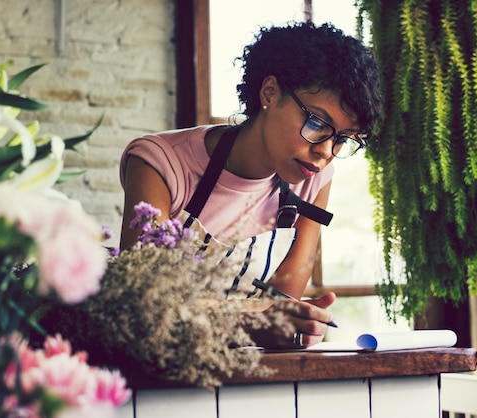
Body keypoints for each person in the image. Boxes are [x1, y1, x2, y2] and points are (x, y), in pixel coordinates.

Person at [118, 22, 382, 349]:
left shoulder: (315, 177)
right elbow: (140, 307)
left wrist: (295, 321)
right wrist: (250, 320)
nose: (326, 151)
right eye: (317, 123)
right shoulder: (159, 163)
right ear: (269, 93)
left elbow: (283, 302)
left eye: (342, 140)